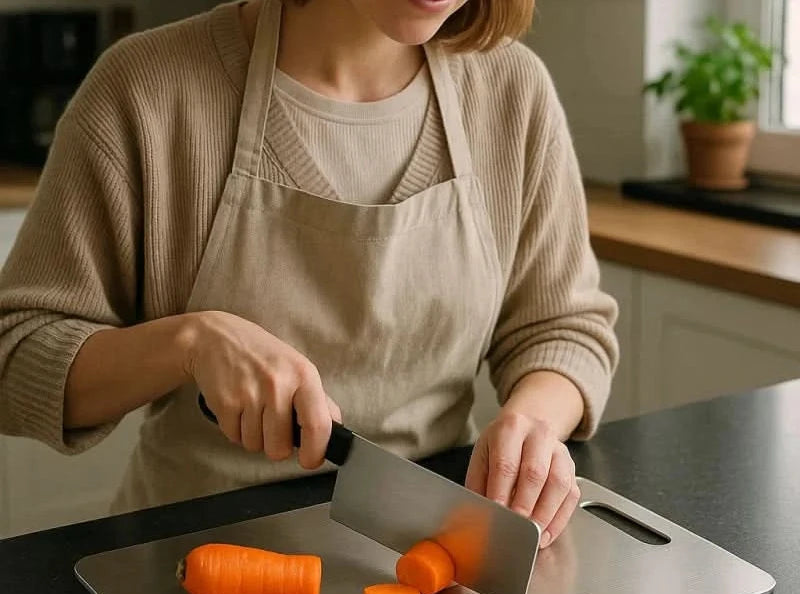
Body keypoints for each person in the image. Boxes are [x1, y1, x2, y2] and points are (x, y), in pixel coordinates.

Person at [0, 0, 618, 549]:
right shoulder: (146, 91)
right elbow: (16, 355)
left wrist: (532, 425)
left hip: (435, 553)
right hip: (190, 559)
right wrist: (190, 343)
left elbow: (562, 326)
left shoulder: (512, 91)